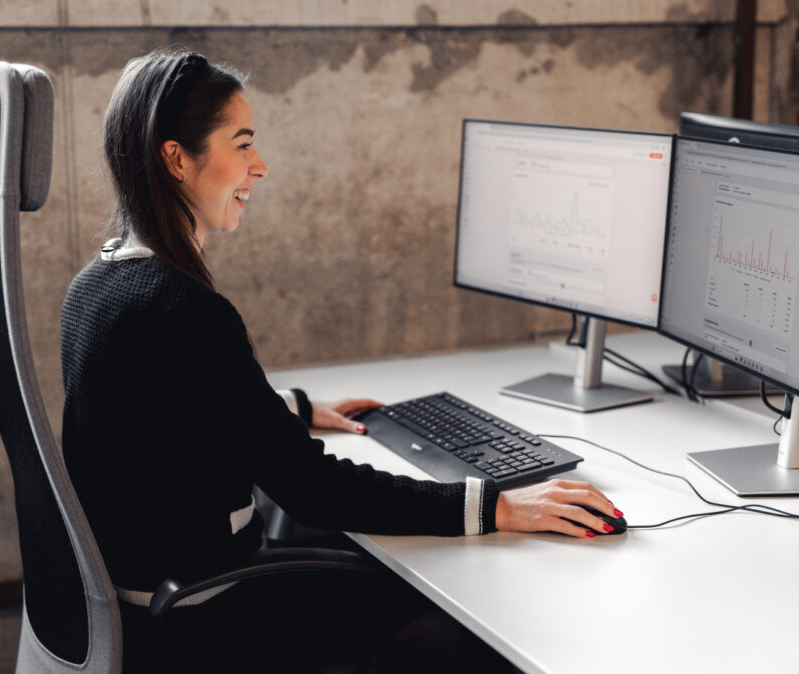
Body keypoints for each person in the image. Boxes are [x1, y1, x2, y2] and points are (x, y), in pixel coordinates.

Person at [60, 47, 624, 672]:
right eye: (242, 144)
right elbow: (314, 490)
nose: (261, 166)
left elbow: (164, 411)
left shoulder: (97, 286)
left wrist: (293, 411)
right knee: (448, 595)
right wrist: (495, 505)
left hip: (140, 603)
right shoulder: (182, 309)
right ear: (177, 159)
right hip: (208, 617)